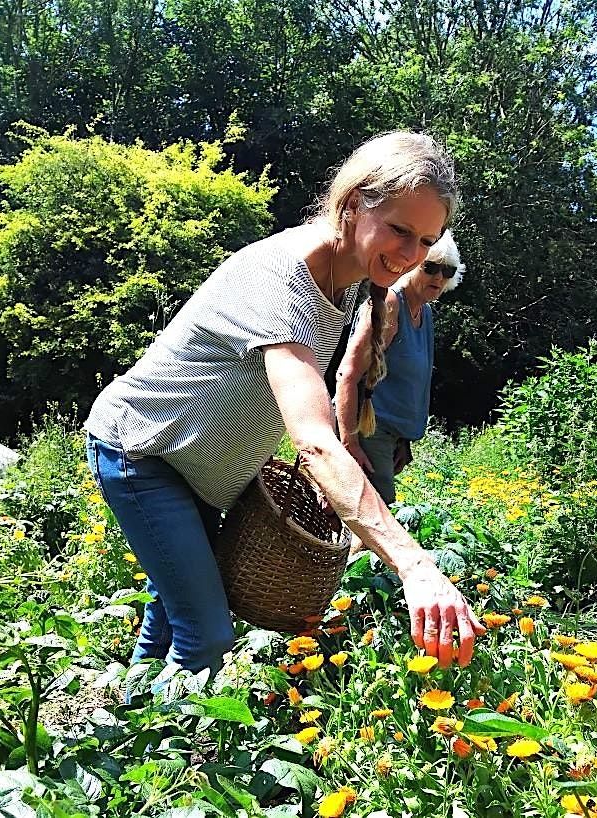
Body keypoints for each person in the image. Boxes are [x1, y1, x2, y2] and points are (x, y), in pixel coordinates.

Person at [83, 131, 486, 676]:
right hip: (144, 452)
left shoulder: (345, 286)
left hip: (197, 466)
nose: (412, 256)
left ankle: (128, 726)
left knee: (172, 614)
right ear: (351, 204)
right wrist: (416, 567)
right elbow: (313, 439)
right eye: (399, 230)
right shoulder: (286, 275)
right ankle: (153, 751)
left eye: (426, 241)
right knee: (207, 636)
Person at [334, 231, 464, 504]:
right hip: (367, 428)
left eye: (447, 271)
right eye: (430, 268)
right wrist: (349, 444)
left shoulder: (425, 312)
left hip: (390, 436)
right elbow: (348, 373)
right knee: (378, 518)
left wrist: (403, 439)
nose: (439, 278)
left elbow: (405, 383)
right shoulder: (390, 304)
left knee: (366, 519)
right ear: (411, 266)